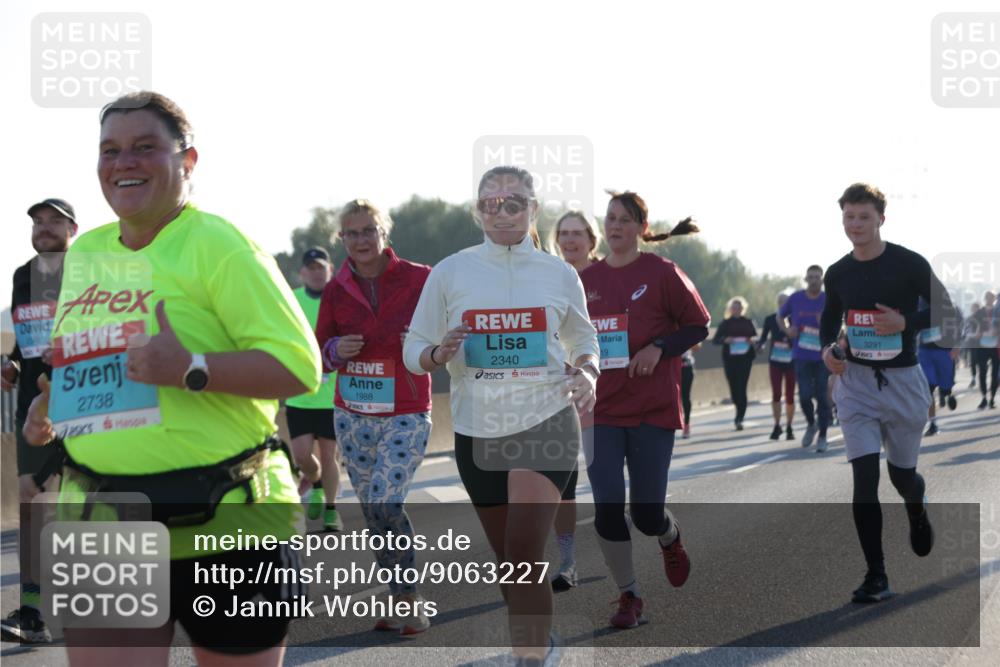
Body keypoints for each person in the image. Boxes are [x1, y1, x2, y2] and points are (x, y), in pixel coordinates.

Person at [22, 91, 321, 666]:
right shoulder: (83, 255)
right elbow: (83, 365)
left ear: (188, 161)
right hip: (103, 525)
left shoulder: (221, 245)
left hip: (231, 524)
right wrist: (50, 411)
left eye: (144, 148)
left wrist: (191, 369)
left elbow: (299, 367)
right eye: (110, 150)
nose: (123, 162)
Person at [404, 166, 599, 663]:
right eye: (491, 203)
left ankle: (530, 658)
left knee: (524, 550)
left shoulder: (559, 273)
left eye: (514, 202)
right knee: (509, 562)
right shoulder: (450, 271)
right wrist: (437, 356)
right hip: (478, 429)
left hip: (547, 418)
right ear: (478, 211)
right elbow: (414, 347)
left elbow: (584, 339)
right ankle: (541, 637)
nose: (502, 211)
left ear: (533, 210)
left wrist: (588, 373)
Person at [821, 182, 959, 604]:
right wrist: (829, 352)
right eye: (849, 216)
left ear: (882, 218)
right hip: (857, 385)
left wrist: (907, 323)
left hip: (902, 383)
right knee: (864, 480)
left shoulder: (908, 263)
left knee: (902, 478)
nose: (856, 225)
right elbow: (830, 320)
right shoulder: (838, 272)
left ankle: (916, 508)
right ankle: (876, 575)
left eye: (864, 217)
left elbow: (947, 310)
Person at [579, 190, 709, 630]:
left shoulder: (661, 272)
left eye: (625, 219)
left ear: (641, 229)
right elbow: (566, 337)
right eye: (610, 218)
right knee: (607, 506)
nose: (615, 225)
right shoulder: (585, 280)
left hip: (652, 409)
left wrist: (660, 346)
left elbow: (699, 324)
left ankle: (669, 536)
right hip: (601, 411)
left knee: (646, 513)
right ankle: (629, 594)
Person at [315, 198, 434, 636]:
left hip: (405, 410)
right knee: (372, 509)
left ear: (385, 233)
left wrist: (423, 338)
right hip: (353, 414)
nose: (361, 240)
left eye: (369, 230)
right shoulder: (335, 287)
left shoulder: (421, 279)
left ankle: (408, 598)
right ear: (341, 239)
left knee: (387, 500)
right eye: (352, 233)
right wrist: (333, 351)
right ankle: (396, 593)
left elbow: (446, 334)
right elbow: (317, 352)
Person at [0, 198, 77, 645]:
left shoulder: (91, 271)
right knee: (33, 505)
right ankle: (34, 611)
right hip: (35, 405)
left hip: (89, 399)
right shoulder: (22, 275)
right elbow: (28, 339)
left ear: (73, 229)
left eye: (54, 221)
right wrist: (10, 365)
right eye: (38, 221)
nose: (44, 228)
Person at [549, 210, 602, 591]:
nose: (570, 240)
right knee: (562, 483)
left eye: (577, 233)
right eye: (563, 233)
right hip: (561, 393)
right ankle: (567, 560)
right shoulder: (546, 277)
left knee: (605, 480)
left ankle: (619, 538)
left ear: (591, 238)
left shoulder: (609, 276)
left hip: (613, 392)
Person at [285, 247, 343, 531]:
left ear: (329, 270)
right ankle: (316, 483)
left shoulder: (340, 298)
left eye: (321, 267)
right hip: (300, 394)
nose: (317, 272)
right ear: (302, 273)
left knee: (329, 454)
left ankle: (332, 510)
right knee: (301, 454)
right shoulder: (291, 300)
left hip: (332, 396)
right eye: (311, 267)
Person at [780, 265, 832, 452]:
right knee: (803, 396)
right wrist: (787, 329)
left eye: (817, 277)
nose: (813, 280)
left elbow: (840, 325)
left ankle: (823, 436)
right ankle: (812, 424)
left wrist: (824, 323)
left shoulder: (828, 299)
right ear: (806, 279)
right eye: (810, 277)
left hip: (822, 356)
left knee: (822, 396)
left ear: (822, 279)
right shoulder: (796, 298)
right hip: (801, 355)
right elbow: (780, 316)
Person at [712, 297, 757, 431]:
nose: (736, 309)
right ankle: (738, 408)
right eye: (734, 307)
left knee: (741, 387)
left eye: (739, 307)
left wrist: (751, 341)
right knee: (733, 389)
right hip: (730, 360)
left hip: (745, 359)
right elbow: (715, 340)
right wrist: (725, 339)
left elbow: (755, 338)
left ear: (743, 309)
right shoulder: (725, 323)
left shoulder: (748, 322)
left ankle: (739, 418)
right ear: (730, 309)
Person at [917, 298, 960, 436]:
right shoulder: (918, 301)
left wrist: (957, 346)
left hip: (944, 351)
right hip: (925, 351)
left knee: (945, 386)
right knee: (928, 387)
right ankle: (933, 423)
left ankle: (947, 393)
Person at [758, 293, 796, 441]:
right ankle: (777, 425)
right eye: (780, 303)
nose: (783, 306)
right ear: (777, 304)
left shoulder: (795, 319)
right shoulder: (770, 319)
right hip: (775, 361)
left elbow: (800, 338)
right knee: (776, 394)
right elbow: (763, 338)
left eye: (786, 303)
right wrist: (760, 346)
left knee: (790, 396)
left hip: (791, 362)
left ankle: (789, 426)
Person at [971, 291, 998, 409]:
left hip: (996, 347)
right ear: (984, 299)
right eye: (987, 298)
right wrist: (980, 333)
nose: (989, 300)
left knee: (995, 374)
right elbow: (972, 330)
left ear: (994, 299)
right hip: (981, 347)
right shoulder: (979, 313)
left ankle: (992, 398)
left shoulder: (998, 311)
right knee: (982, 373)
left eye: (991, 298)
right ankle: (984, 398)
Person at [679, 345, 700, 439]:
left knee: (685, 397)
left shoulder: (686, 329)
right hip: (669, 367)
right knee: (671, 398)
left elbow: (698, 347)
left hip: (686, 367)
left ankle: (686, 424)